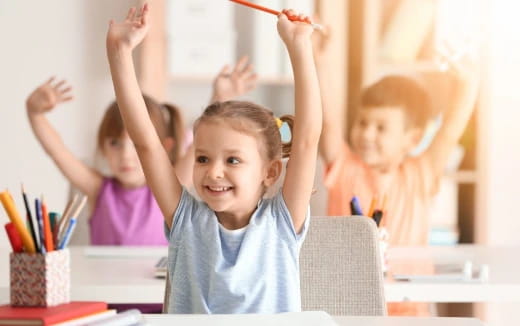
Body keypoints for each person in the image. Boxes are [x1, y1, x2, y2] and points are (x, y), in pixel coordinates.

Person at [106, 3, 321, 314]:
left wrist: (299, 46)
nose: (213, 173)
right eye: (203, 159)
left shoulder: (281, 223)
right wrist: (120, 52)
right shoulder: (187, 222)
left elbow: (307, 140)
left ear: (271, 172)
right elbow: (146, 144)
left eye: (232, 161)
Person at [313, 25, 480, 315]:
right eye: (363, 123)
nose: (367, 134)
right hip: (349, 305)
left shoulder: (420, 173)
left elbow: (450, 131)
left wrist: (468, 84)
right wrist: (319, 59)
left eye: (381, 128)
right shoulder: (344, 168)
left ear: (412, 139)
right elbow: (327, 123)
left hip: (410, 307)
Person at [25, 59, 255, 245]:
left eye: (135, 145)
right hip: (109, 300)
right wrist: (35, 113)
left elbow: (200, 139)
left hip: (157, 298)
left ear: (163, 147)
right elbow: (57, 152)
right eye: (115, 143)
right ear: (103, 147)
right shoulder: (98, 189)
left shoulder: (169, 187)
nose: (125, 155)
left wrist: (221, 97)